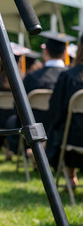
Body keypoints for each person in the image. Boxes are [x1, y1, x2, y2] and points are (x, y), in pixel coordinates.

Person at [7, 32, 75, 157]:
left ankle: (33, 151)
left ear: (46, 52)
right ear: (65, 53)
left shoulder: (32, 78)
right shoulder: (71, 78)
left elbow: (19, 108)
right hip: (62, 131)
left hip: (35, 131)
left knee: (13, 120)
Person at [46, 29, 83, 188]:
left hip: (73, 145)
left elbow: (56, 111)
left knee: (61, 131)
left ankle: (70, 174)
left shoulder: (68, 77)